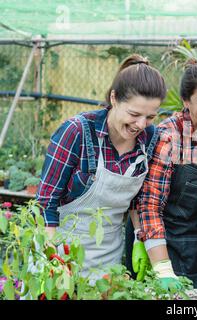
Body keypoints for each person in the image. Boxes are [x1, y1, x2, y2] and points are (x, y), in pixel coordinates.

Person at [36, 54, 166, 278]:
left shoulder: (150, 138)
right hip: (59, 252)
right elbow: (46, 205)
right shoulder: (77, 132)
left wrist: (139, 237)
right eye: (134, 114)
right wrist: (52, 261)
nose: (141, 125)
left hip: (108, 260)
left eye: (150, 117)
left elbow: (139, 201)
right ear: (114, 98)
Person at [127, 60, 197, 289]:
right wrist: (162, 268)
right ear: (186, 102)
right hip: (156, 238)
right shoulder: (168, 137)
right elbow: (149, 205)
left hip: (196, 239)